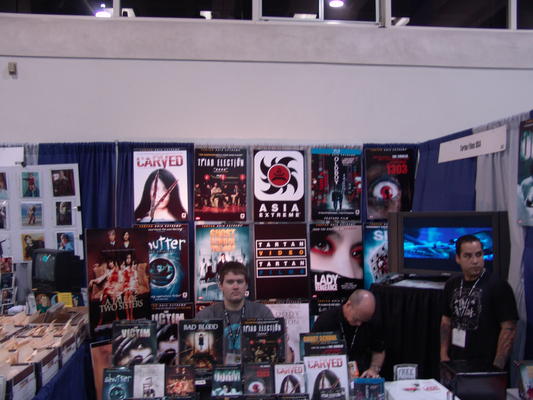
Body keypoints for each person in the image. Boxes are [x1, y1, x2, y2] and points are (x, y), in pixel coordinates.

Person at [440, 234, 518, 369]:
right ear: (458, 258)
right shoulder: (452, 284)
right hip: (456, 361)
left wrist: (497, 366)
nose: (475, 261)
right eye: (468, 256)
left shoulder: (498, 286)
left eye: (479, 254)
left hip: (486, 364)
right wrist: (443, 355)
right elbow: (446, 321)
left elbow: (509, 328)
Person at [195, 261, 274, 364]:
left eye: (240, 282)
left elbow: (281, 356)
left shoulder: (262, 313)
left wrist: (284, 339)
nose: (235, 286)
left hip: (252, 371)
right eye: (230, 282)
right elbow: (191, 359)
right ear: (220, 285)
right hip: (216, 371)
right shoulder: (205, 316)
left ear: (246, 285)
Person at [312, 289, 385, 378]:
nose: (359, 324)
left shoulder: (372, 321)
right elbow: (312, 353)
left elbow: (379, 350)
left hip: (362, 377)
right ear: (348, 305)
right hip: (332, 376)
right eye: (356, 319)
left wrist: (373, 369)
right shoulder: (326, 320)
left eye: (363, 320)